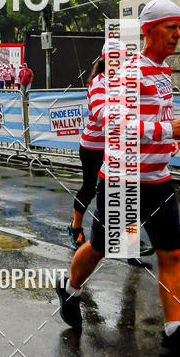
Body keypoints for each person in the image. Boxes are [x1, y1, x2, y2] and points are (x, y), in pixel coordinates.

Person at [57, 0, 180, 357]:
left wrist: (168, 142)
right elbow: (114, 122)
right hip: (123, 180)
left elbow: (153, 120)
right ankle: (70, 288)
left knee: (172, 253)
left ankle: (173, 332)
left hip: (158, 179)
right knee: (103, 247)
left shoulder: (163, 71)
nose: (178, 35)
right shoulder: (129, 72)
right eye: (171, 28)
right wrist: (163, 129)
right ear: (150, 30)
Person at [68, 39, 123, 249]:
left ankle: (131, 241)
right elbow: (101, 114)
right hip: (92, 147)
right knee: (90, 189)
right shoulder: (99, 82)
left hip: (114, 146)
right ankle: (76, 227)